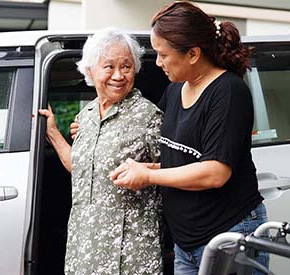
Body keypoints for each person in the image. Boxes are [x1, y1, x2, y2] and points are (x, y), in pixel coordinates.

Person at [108, 2, 269, 275]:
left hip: (229, 234)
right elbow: (186, 159)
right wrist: (151, 168)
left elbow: (214, 172)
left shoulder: (227, 92)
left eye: (162, 55)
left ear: (193, 53)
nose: (157, 63)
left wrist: (148, 177)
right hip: (187, 244)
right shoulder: (175, 91)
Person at [39, 27, 164, 275]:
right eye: (109, 67)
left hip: (130, 253)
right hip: (85, 246)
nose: (118, 75)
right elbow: (81, 168)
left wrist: (147, 173)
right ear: (90, 70)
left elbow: (176, 172)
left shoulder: (149, 117)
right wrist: (53, 132)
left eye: (126, 67)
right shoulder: (85, 117)